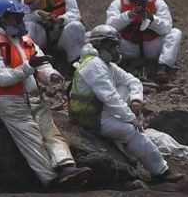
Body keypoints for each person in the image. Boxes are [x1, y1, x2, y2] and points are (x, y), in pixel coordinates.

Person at [0, 0, 77, 187]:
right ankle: (51, 179)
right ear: (3, 19)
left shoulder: (25, 40)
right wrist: (28, 67)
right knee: (31, 137)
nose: (19, 21)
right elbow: (1, 78)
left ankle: (66, 166)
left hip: (33, 96)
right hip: (6, 99)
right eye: (15, 17)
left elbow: (42, 63)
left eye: (20, 17)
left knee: (50, 129)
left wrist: (51, 76)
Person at [72, 48, 171, 180]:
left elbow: (133, 81)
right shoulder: (93, 65)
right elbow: (109, 97)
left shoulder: (108, 66)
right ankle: (160, 171)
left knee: (125, 86)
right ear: (100, 46)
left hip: (102, 112)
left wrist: (136, 100)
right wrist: (131, 118)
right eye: (110, 45)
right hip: (91, 118)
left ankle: (131, 151)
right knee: (132, 131)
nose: (116, 49)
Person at [103, 0, 182, 80]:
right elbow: (109, 26)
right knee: (99, 35)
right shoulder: (118, 3)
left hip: (151, 46)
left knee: (175, 33)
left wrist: (152, 19)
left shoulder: (158, 2)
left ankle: (163, 68)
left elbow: (166, 28)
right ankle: (110, 66)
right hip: (127, 46)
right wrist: (128, 15)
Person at [20, 0, 87, 69]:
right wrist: (38, 14)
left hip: (62, 34)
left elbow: (75, 14)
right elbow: (24, 18)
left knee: (76, 26)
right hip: (44, 37)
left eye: (37, 3)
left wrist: (60, 20)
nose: (34, 6)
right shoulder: (26, 0)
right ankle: (31, 61)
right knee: (28, 26)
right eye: (31, 5)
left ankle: (74, 62)